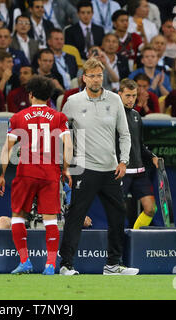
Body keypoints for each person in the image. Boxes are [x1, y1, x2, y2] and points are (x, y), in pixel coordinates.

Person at [58, 58, 139, 276]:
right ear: (84, 78)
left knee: (117, 216)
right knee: (76, 216)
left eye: (99, 75)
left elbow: (124, 133)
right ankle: (67, 264)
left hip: (111, 169)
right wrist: (65, 165)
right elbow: (62, 135)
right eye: (91, 75)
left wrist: (124, 161)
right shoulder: (72, 101)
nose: (96, 79)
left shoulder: (114, 100)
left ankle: (113, 264)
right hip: (84, 168)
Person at [0, 74, 73, 275]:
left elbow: (7, 148)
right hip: (50, 173)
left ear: (30, 95)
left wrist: (1, 174)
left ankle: (25, 261)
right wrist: (65, 168)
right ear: (49, 97)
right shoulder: (59, 117)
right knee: (50, 220)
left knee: (18, 217)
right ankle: (49, 265)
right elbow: (69, 146)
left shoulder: (18, 117)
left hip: (26, 172)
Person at [117, 78, 159, 229]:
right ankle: (118, 245)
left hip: (140, 173)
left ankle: (134, 237)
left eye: (134, 96)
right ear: (119, 94)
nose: (131, 99)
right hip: (121, 172)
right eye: (127, 95)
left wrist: (153, 157)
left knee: (150, 209)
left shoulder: (136, 116)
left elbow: (139, 145)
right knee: (118, 213)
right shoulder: (113, 117)